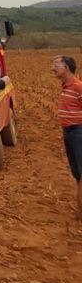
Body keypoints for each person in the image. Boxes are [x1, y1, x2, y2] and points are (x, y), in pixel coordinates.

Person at [52, 55, 82, 218]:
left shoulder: (78, 87)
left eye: (56, 65)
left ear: (67, 68)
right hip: (69, 132)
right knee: (77, 173)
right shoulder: (66, 86)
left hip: (78, 132)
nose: (53, 68)